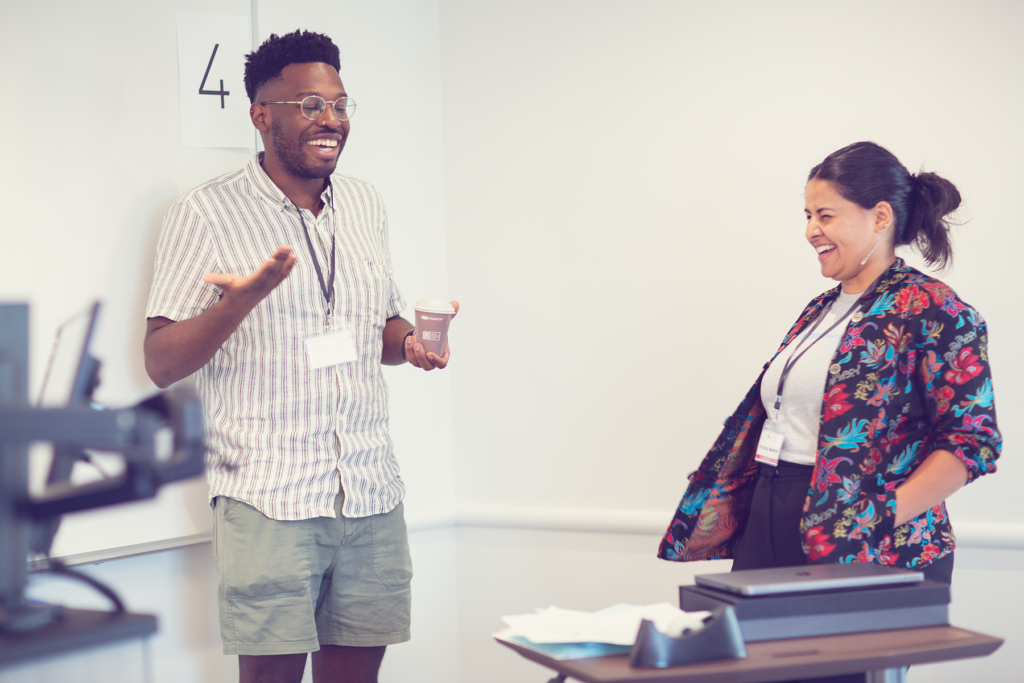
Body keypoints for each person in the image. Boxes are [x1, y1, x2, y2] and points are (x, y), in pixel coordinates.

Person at [144, 30, 454, 683]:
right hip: (268, 496)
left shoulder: (365, 202)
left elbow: (378, 323)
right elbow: (161, 362)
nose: (332, 121)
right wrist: (237, 304)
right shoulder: (204, 212)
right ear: (262, 115)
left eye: (340, 105)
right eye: (310, 105)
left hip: (369, 490)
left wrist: (408, 344)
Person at [658, 141, 1000, 585]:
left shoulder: (935, 310)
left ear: (880, 217)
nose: (811, 231)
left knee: (847, 657)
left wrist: (877, 516)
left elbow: (972, 441)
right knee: (752, 653)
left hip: (874, 543)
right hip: (772, 515)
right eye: (807, 216)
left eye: (826, 215)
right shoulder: (821, 308)